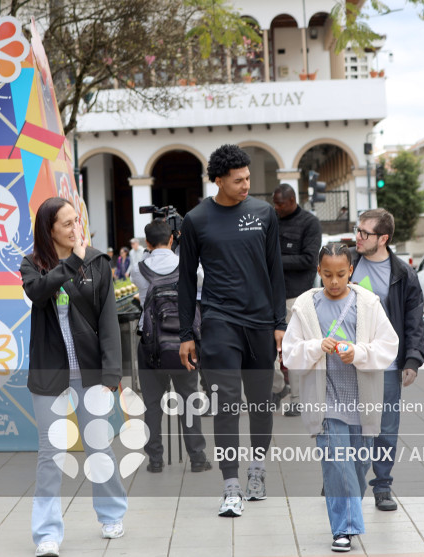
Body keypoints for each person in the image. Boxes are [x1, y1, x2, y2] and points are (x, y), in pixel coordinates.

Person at [178, 144, 287, 517]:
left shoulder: (263, 214)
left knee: (260, 403)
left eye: (248, 178)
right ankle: (231, 486)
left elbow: (275, 271)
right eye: (238, 180)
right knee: (225, 403)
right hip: (219, 321)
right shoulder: (196, 220)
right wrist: (185, 334)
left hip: (260, 324)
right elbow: (185, 281)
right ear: (219, 180)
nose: (246, 185)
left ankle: (257, 470)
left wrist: (279, 323)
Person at [19, 198, 127, 557]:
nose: (74, 227)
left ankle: (112, 512)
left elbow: (108, 323)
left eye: (76, 220)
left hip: (91, 372)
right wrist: (72, 262)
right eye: (65, 223)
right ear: (49, 231)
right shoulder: (32, 264)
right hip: (50, 372)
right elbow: (39, 291)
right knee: (51, 452)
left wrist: (112, 373)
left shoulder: (97, 262)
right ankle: (47, 534)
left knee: (98, 444)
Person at [283, 243, 398, 553]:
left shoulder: (369, 304)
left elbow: (389, 346)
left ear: (351, 272)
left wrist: (358, 353)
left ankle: (347, 511)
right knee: (337, 464)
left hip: (363, 403)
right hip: (326, 402)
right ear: (319, 271)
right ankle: (344, 529)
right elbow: (290, 353)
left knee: (358, 468)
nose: (334, 282)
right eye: (327, 275)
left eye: (340, 275)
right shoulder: (306, 306)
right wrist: (316, 346)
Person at [350, 209, 424, 512]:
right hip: (348, 362)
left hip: (388, 364)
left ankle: (382, 486)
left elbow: (413, 321)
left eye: (364, 233)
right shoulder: (347, 265)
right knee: (349, 425)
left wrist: (412, 360)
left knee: (385, 429)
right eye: (358, 231)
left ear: (383, 238)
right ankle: (344, 478)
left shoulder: (403, 274)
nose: (358, 237)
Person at [130, 219, 212, 474]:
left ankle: (155, 460)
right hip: (184, 343)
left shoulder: (138, 268)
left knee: (152, 404)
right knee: (188, 400)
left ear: (148, 243)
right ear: (171, 239)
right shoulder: (187, 266)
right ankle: (197, 457)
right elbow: (201, 281)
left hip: (151, 345)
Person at [272, 183, 323, 417]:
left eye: (280, 204)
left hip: (296, 296)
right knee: (265, 348)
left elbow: (309, 260)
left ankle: (298, 399)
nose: (276, 207)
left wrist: (274, 260)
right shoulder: (271, 219)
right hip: (270, 295)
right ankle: (277, 388)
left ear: (292, 200)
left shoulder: (310, 223)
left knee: (293, 348)